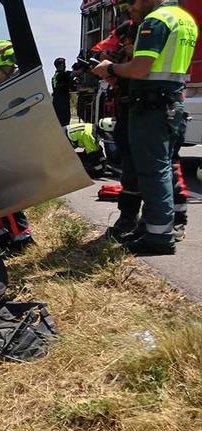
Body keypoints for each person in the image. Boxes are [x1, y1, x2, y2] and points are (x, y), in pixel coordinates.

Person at [93, 0, 197, 255]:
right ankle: (157, 226)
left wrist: (111, 68)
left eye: (132, 1)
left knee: (153, 171)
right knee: (164, 167)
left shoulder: (156, 21)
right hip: (169, 102)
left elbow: (141, 69)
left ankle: (158, 236)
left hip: (152, 105)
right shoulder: (184, 19)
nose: (129, 8)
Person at [0, 40, 34, 251]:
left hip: (16, 150)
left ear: (6, 66)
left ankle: (21, 238)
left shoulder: (17, 88)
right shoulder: (14, 85)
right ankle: (3, 233)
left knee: (2, 189)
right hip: (10, 147)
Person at [52, 58, 73, 126]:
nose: (65, 66)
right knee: (65, 122)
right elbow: (76, 73)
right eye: (64, 64)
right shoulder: (63, 74)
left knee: (58, 122)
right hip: (62, 103)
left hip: (56, 102)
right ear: (61, 65)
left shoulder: (54, 76)